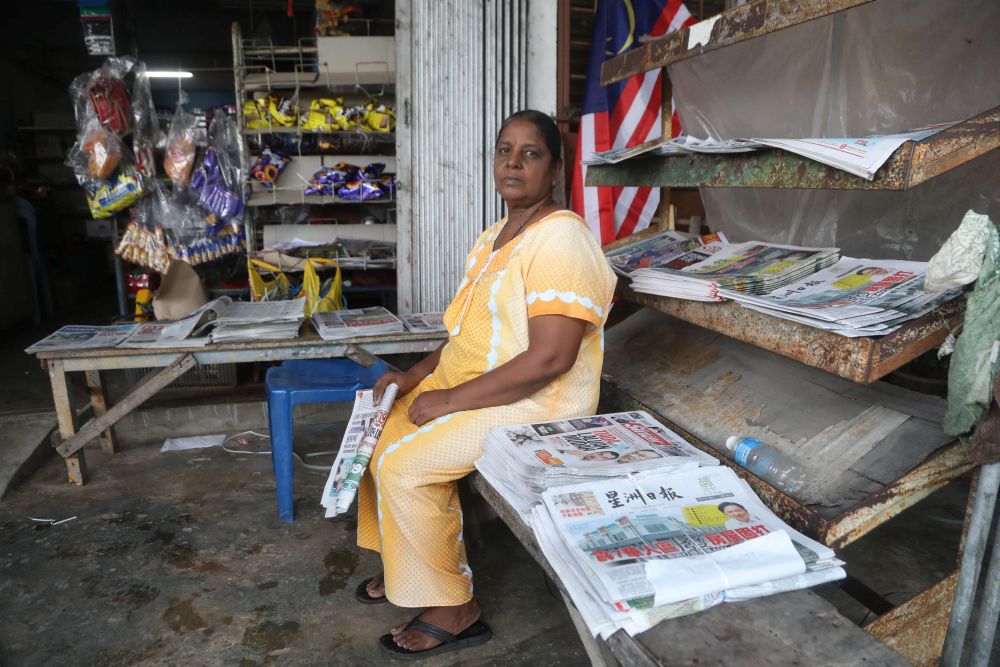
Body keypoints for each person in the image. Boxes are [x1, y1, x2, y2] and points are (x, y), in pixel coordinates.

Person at [352, 109, 617, 659]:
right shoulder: (497, 235)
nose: (513, 163)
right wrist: (415, 376)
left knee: (406, 465)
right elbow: (465, 335)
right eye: (504, 151)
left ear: (555, 168)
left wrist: (450, 399)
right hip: (480, 384)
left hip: (537, 402)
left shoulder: (561, 239)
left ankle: (454, 607)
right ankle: (407, 570)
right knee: (380, 431)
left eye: (530, 153)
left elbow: (551, 359)